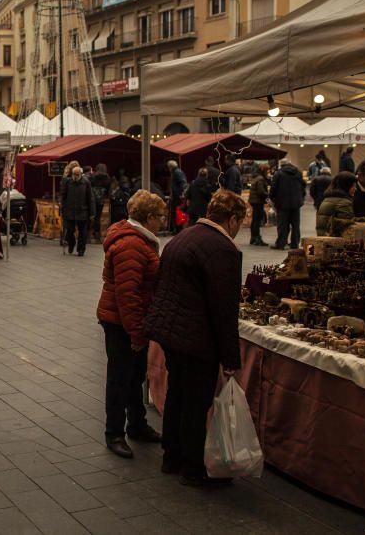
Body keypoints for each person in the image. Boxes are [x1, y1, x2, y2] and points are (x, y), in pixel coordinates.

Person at [146, 190, 246, 487]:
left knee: (177, 393)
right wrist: (230, 358)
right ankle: (192, 467)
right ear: (232, 219)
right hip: (195, 337)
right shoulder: (223, 249)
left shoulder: (183, 236)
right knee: (196, 401)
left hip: (171, 332)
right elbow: (224, 308)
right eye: (240, 221)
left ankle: (171, 456)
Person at [96, 190, 166, 458]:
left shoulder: (139, 239)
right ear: (148, 217)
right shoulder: (132, 245)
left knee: (135, 376)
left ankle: (136, 424)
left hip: (128, 320)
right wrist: (136, 332)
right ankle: (114, 433)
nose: (162, 221)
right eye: (160, 216)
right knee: (119, 378)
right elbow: (128, 295)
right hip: (121, 322)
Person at [269, 158, 305, 250]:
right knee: (295, 225)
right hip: (296, 204)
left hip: (282, 203)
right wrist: (300, 198)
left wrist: (272, 198)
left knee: (282, 225)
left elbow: (273, 188)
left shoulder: (278, 174)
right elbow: (303, 187)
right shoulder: (298, 173)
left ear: (281, 165)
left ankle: (281, 244)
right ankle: (295, 244)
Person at [60, 164, 94, 256]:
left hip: (83, 211)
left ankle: (81, 249)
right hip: (70, 211)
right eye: (74, 174)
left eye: (77, 174)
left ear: (81, 174)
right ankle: (71, 244)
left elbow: (90, 197)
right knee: (69, 231)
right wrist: (62, 207)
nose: (75, 176)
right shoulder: (68, 182)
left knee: (83, 233)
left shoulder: (86, 182)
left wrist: (92, 212)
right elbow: (63, 195)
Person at [315, 172, 357, 236]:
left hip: (324, 238)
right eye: (353, 186)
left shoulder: (327, 199)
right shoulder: (344, 202)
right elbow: (347, 227)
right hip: (335, 241)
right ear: (346, 186)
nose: (355, 189)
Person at [248, 163, 270, 246]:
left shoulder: (256, 177)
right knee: (257, 220)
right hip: (258, 201)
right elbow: (261, 191)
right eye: (267, 170)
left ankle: (253, 238)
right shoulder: (260, 179)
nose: (268, 172)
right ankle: (257, 238)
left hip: (254, 201)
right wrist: (267, 194)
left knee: (255, 220)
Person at [91, 164, 111, 241]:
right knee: (98, 217)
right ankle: (97, 234)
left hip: (93, 199)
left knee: (91, 216)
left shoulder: (93, 176)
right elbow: (108, 189)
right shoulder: (107, 178)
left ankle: (89, 234)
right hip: (101, 200)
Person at [167, 160, 188, 234]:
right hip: (177, 196)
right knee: (175, 213)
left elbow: (183, 183)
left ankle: (178, 230)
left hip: (177, 197)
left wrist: (182, 194)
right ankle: (177, 229)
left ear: (170, 167)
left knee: (176, 213)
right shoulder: (176, 172)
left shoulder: (177, 172)